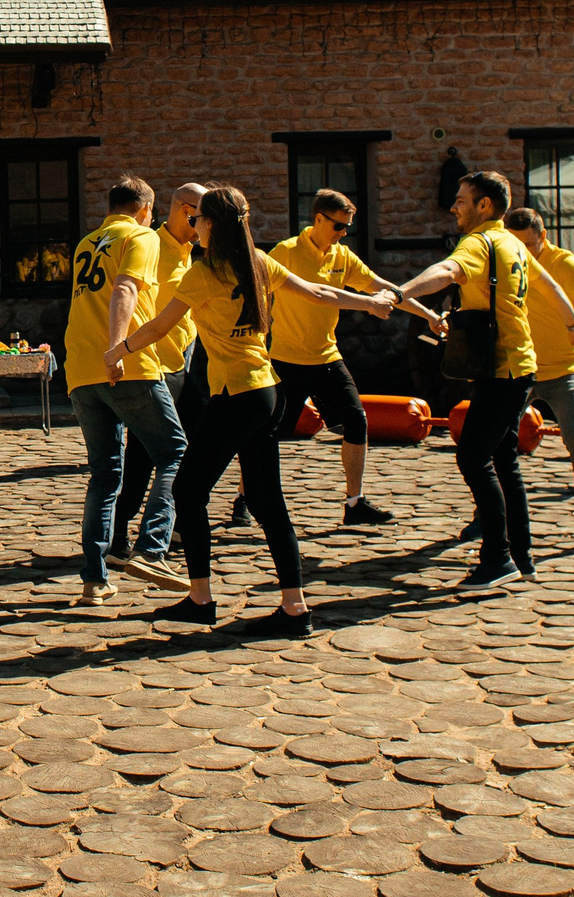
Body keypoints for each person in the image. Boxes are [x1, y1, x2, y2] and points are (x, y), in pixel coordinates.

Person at [113, 185, 397, 636]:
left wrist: (117, 352)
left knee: (187, 492)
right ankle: (294, 609)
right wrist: (370, 302)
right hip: (267, 393)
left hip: (238, 398)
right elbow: (319, 293)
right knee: (269, 503)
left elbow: (159, 326)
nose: (194, 226)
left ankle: (201, 599)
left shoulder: (204, 274)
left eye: (198, 220)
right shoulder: (260, 262)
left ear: (210, 224)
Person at [397, 171, 574, 590]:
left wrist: (399, 293)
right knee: (504, 461)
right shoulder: (512, 244)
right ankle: (522, 556)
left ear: (484, 206)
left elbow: (446, 270)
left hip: (502, 369)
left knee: (472, 457)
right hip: (517, 366)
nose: (454, 207)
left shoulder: (479, 242)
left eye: (462, 201)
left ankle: (498, 557)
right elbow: (552, 286)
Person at [63, 175, 190, 603]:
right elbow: (126, 287)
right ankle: (152, 549)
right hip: (126, 367)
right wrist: (116, 349)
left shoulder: (85, 243)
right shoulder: (142, 236)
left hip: (79, 371)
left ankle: (94, 579)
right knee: (174, 450)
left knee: (104, 474)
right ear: (145, 210)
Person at [266, 188, 400, 527]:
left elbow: (378, 285)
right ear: (318, 219)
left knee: (357, 422)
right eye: (338, 226)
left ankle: (354, 503)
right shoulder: (286, 251)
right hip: (285, 359)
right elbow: (262, 296)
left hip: (326, 357)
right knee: (268, 434)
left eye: (348, 228)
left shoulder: (342, 256)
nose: (343, 233)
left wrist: (422, 309)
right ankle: (245, 496)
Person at [506, 206, 574, 548]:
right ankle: (489, 516)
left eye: (529, 245)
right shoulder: (503, 260)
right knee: (494, 445)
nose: (523, 252)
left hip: (565, 369)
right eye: (515, 244)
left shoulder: (563, 262)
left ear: (544, 238)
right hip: (516, 369)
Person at [111, 183, 203, 565]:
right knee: (143, 458)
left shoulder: (190, 251)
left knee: (192, 450)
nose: (204, 224)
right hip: (155, 366)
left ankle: (179, 524)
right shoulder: (151, 244)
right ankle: (120, 535)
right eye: (200, 215)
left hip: (187, 361)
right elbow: (128, 293)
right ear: (183, 210)